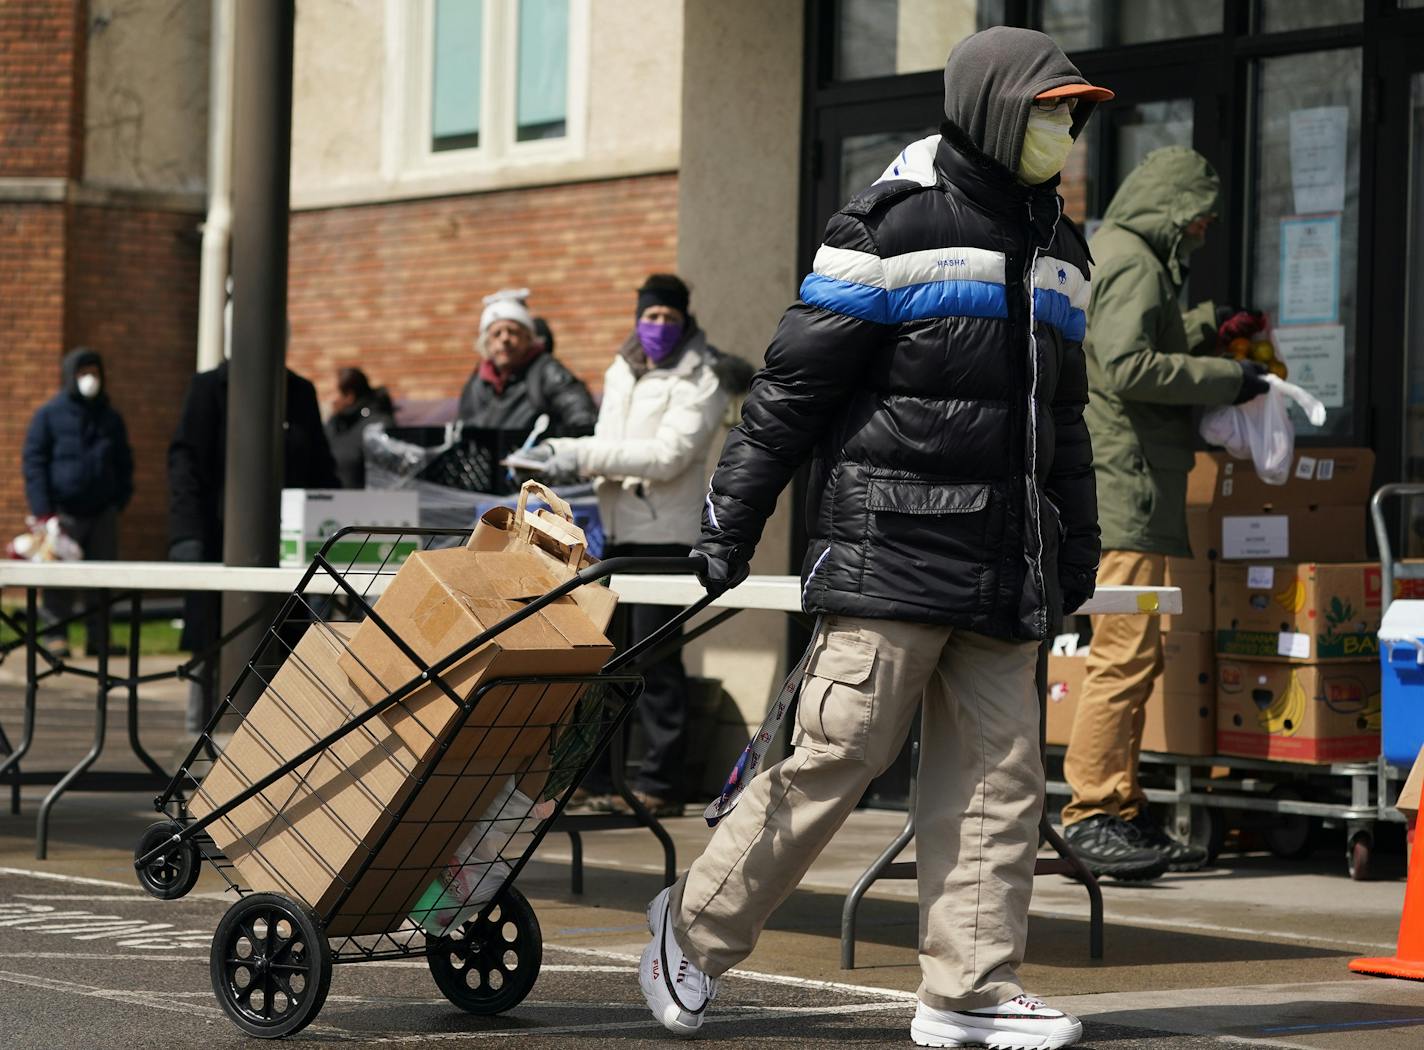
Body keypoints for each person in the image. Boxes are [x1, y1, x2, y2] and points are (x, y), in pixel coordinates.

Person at [636, 27, 1107, 1049]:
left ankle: (966, 991)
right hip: (889, 550)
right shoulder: (887, 226)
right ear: (990, 108)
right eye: (1047, 110)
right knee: (832, 758)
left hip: (1006, 560)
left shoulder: (1062, 248)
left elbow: (1063, 423)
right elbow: (792, 392)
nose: (1062, 131)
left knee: (998, 780)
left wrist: (1078, 545)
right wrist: (730, 520)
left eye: (1070, 114)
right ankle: (690, 929)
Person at [1061, 147, 1268, 882]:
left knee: (1137, 654)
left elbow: (1139, 339)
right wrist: (1230, 377)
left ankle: (1120, 804)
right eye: (1200, 223)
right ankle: (1091, 812)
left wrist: (1210, 325)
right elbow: (1128, 365)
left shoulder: (1117, 254)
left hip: (1131, 485)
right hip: (1128, 489)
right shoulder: (1135, 261)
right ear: (1174, 211)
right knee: (1123, 656)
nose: (1203, 237)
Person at [530, 274, 732, 816]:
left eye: (669, 317)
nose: (659, 326)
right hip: (616, 534)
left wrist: (576, 455)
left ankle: (662, 787)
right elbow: (615, 443)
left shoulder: (703, 375)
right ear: (637, 319)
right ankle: (597, 781)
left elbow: (668, 456)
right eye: (651, 316)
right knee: (606, 661)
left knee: (657, 663)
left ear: (685, 320)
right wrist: (579, 456)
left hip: (666, 539)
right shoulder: (621, 369)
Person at [168, 359, 341, 731]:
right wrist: (188, 537)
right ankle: (199, 746)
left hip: (288, 547)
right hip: (217, 542)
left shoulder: (299, 392)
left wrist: (332, 520)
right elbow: (186, 465)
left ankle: (280, 743)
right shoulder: (209, 389)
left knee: (286, 642)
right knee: (216, 644)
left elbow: (321, 468)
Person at [22, 347, 134, 656]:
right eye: (83, 373)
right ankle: (55, 636)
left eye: (94, 372)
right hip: (62, 513)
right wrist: (43, 511)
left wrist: (119, 499)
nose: (90, 379)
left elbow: (124, 462)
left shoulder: (110, 417)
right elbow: (34, 461)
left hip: (102, 513)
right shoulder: (49, 415)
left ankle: (100, 638)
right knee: (58, 579)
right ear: (71, 375)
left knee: (101, 580)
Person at [457, 290, 596, 438]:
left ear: (528, 338)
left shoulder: (548, 373)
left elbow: (582, 420)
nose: (505, 339)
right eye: (497, 333)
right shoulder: (477, 383)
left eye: (512, 332)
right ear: (486, 343)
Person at [325, 366, 395, 489]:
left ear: (349, 396)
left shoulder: (377, 425)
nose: (329, 400)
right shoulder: (335, 423)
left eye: (331, 393)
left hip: (364, 503)